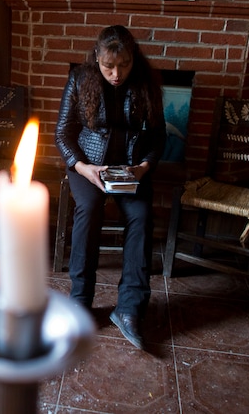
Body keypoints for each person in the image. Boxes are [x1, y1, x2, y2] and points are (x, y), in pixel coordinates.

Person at [55, 25, 166, 350]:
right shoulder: (79, 79)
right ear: (97, 60)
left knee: (141, 215)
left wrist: (144, 168)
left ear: (134, 59)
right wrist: (84, 168)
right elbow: (63, 133)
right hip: (87, 165)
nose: (116, 74)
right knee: (88, 209)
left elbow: (159, 137)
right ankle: (80, 301)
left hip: (130, 170)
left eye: (124, 65)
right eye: (108, 67)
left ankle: (130, 308)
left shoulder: (148, 83)